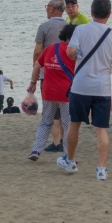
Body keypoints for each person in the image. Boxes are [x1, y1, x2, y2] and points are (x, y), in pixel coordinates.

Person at [58, 0, 112, 181]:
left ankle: (70, 161)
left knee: (74, 124)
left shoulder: (80, 29)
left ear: (91, 12)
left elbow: (70, 52)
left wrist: (80, 54)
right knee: (101, 129)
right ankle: (101, 169)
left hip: (81, 86)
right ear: (109, 14)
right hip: (102, 88)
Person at [26, 23, 76, 160]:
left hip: (48, 92)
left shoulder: (50, 48)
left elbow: (37, 65)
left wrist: (33, 83)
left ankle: (36, 150)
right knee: (67, 125)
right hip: (66, 93)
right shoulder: (74, 52)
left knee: (46, 121)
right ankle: (67, 154)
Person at [32, 0, 67, 152]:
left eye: (47, 6)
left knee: (49, 113)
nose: (46, 9)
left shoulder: (44, 27)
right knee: (65, 113)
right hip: (66, 75)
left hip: (48, 74)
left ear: (52, 8)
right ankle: (65, 144)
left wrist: (36, 69)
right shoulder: (70, 27)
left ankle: (55, 141)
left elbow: (38, 51)